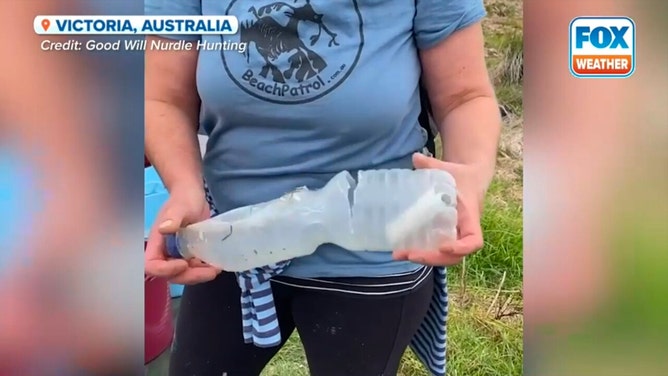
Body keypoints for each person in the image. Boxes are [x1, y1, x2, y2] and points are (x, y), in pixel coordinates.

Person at [144, 0, 501, 375]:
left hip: (375, 242)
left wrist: (470, 174)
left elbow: (464, 96)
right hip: (227, 240)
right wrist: (184, 186)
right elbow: (164, 97)